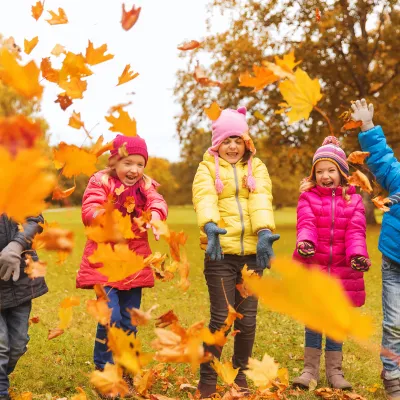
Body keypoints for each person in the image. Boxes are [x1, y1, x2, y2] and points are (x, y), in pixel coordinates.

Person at [192, 106, 279, 398]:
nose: (232, 146)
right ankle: (207, 376)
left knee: (247, 320)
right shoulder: (207, 168)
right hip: (220, 256)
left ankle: (240, 373)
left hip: (253, 256)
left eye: (237, 140)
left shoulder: (258, 168)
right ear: (217, 143)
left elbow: (261, 200)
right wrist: (210, 226)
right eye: (226, 140)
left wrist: (265, 232)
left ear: (246, 143)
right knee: (221, 319)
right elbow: (204, 197)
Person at [76, 135, 168, 377]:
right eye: (128, 163)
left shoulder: (146, 185)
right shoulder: (101, 181)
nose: (134, 170)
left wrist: (156, 216)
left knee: (129, 319)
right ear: (114, 162)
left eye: (140, 164)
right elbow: (90, 208)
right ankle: (105, 368)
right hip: (104, 260)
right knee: (111, 316)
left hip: (133, 261)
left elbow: (157, 201)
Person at [292, 136, 370, 391]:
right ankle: (309, 370)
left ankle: (335, 371)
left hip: (342, 270)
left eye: (331, 170)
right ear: (314, 175)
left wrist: (358, 255)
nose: (326, 176)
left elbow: (356, 232)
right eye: (320, 171)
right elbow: (306, 224)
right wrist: (305, 243)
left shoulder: (354, 201)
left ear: (342, 173)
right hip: (314, 266)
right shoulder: (308, 198)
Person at [352, 98, 400, 400]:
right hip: (395, 260)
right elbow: (381, 159)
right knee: (395, 323)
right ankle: (393, 376)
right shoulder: (397, 178)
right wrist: (368, 125)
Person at [0, 214, 48, 400]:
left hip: (18, 281)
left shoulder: (16, 185)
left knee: (18, 344)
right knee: (1, 346)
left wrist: (16, 244)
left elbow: (36, 220)